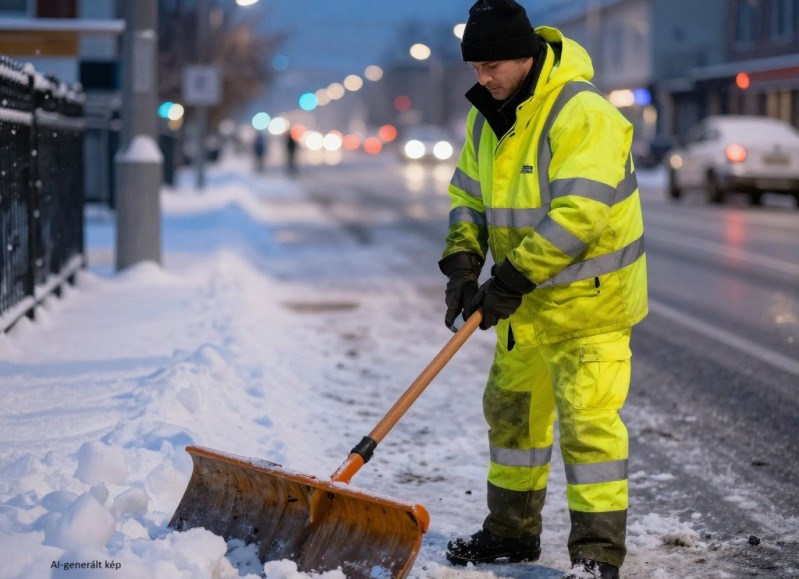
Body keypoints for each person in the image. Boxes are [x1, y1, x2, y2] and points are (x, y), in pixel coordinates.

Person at [438, 1, 648, 578]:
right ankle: (510, 533)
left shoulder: (584, 113)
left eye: (492, 66)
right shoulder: (487, 117)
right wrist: (462, 264)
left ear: (525, 56)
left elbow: (580, 216)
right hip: (525, 306)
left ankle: (596, 556)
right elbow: (468, 196)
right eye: (475, 67)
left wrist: (508, 279)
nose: (483, 77)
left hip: (589, 306)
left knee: (589, 429)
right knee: (512, 417)